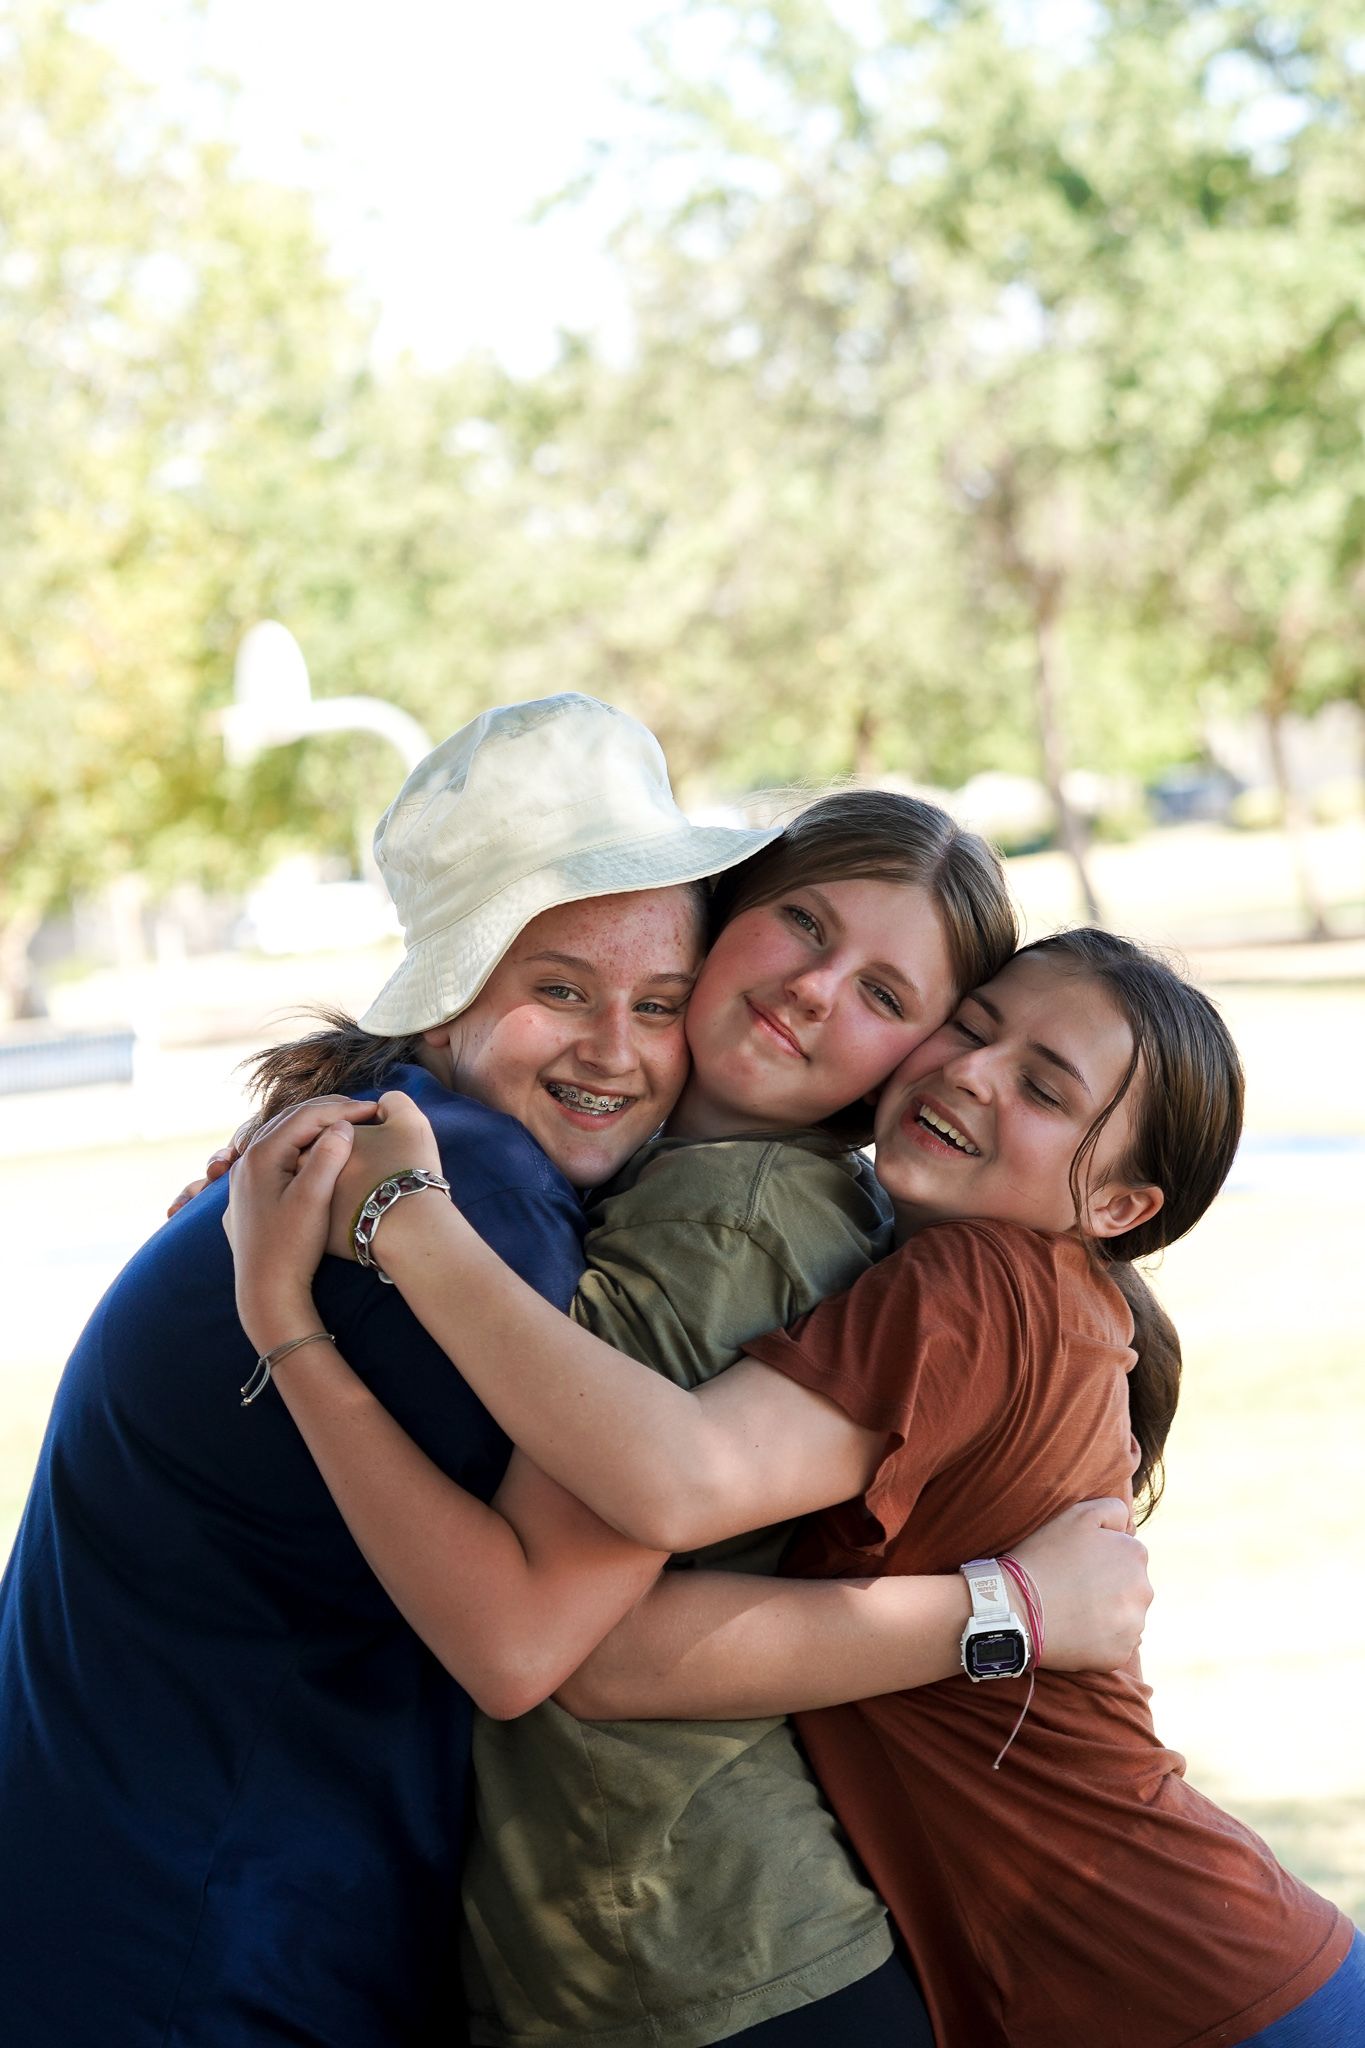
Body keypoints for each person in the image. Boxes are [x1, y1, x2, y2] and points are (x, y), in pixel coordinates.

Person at [252, 931, 1359, 2046]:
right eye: (972, 1026)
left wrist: (393, 1219)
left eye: (1042, 1086)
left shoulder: (983, 1278)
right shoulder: (969, 1273)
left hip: (1193, 1994)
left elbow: (658, 1529)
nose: (973, 1071)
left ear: (1119, 1205)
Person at [0, 693, 774, 2048]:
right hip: (206, 1940)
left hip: (119, 1893)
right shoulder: (468, 1195)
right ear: (450, 1001)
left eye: (659, 1005)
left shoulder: (388, 1144)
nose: (616, 1049)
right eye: (559, 992)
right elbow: (544, 1629)